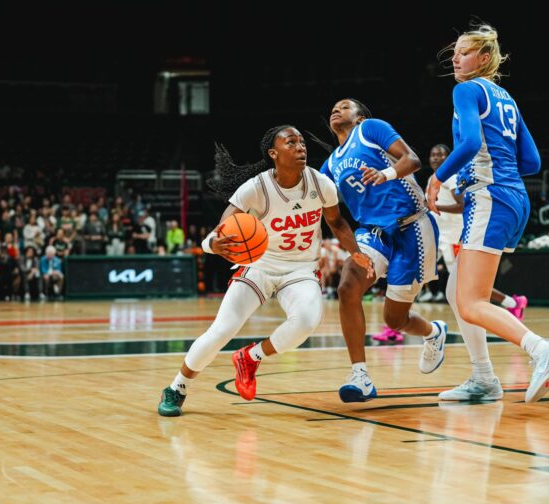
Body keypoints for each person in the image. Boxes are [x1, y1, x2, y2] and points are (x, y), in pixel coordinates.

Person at [158, 125, 372, 417]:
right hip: (259, 266)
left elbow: (337, 224)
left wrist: (356, 253)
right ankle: (176, 387)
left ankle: (250, 358)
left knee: (308, 321)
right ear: (274, 153)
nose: (301, 147)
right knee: (222, 330)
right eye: (291, 142)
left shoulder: (321, 183)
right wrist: (212, 244)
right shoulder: (255, 189)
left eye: (301, 142)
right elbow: (222, 230)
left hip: (300, 268)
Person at [426, 23, 549, 403]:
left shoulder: (467, 90)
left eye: (463, 51)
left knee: (471, 301)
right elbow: (533, 160)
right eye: (454, 52)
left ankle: (542, 349)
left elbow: (473, 141)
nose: (455, 58)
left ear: (485, 58)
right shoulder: (506, 97)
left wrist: (438, 178)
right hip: (515, 197)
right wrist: (499, 173)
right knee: (456, 289)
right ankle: (484, 378)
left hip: (491, 198)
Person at [315, 98, 448, 402]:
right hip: (372, 233)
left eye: (345, 106)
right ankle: (360, 375)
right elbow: (326, 212)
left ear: (360, 118)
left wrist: (385, 174)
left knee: (395, 321)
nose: (336, 109)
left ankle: (433, 332)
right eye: (333, 106)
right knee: (348, 286)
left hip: (412, 227)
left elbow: (412, 160)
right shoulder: (330, 165)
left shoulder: (371, 130)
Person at [428, 144, 529, 319]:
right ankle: (398, 321)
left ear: (449, 157)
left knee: (470, 284)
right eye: (433, 155)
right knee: (414, 270)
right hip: (439, 237)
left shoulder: (451, 177)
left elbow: (462, 206)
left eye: (440, 155)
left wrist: (435, 206)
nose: (436, 158)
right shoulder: (434, 178)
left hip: (454, 238)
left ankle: (512, 303)